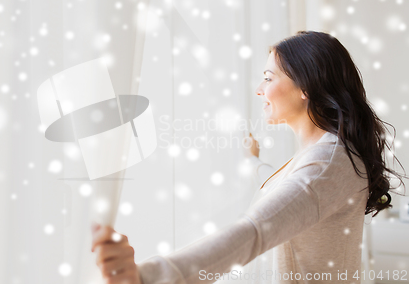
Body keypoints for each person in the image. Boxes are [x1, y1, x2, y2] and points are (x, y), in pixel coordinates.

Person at [90, 31, 406, 284]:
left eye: (269, 78)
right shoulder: (325, 155)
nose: (259, 89)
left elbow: (254, 231)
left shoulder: (327, 163)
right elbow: (287, 189)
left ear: (305, 87)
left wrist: (150, 278)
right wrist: (254, 161)